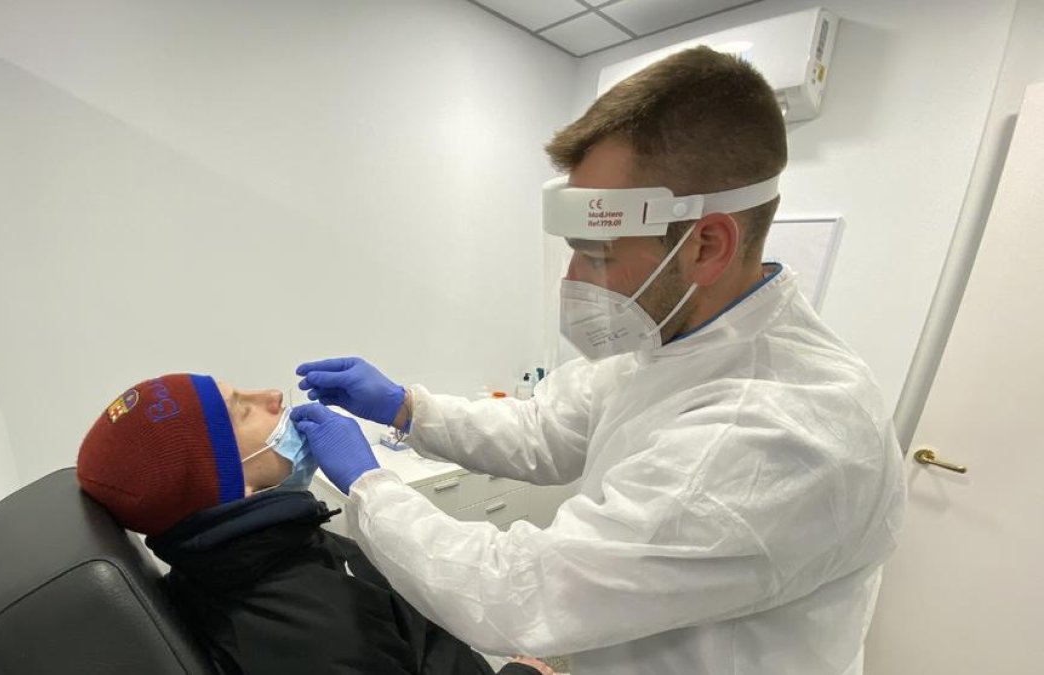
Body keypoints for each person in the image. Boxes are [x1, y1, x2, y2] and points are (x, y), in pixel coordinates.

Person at [290, 47, 906, 675]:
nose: (574, 278)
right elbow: (546, 431)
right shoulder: (669, 338)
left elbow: (516, 594)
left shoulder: (774, 432)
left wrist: (371, 488)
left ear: (707, 245)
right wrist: (407, 408)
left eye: (598, 254)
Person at [75, 372, 553, 675]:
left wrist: (404, 407)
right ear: (226, 484)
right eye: (243, 409)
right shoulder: (303, 632)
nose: (271, 395)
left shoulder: (256, 555)